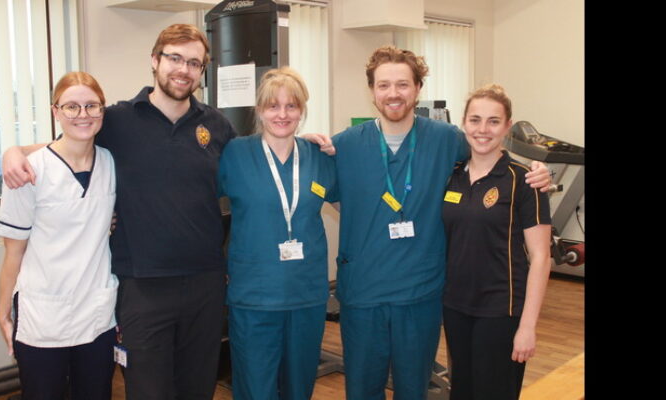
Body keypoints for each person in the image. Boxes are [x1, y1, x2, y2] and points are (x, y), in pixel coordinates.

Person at [1, 23, 335, 400]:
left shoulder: (215, 125)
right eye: (175, 58)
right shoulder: (119, 120)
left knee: (197, 389)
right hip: (144, 287)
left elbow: (261, 158)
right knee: (148, 392)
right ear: (155, 61)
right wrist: (14, 152)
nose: (183, 69)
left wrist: (301, 140)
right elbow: (70, 138)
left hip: (206, 285)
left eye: (194, 62)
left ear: (202, 71)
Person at [326, 46, 551, 400]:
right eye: (383, 85)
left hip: (421, 294)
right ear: (372, 90)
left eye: (403, 84)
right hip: (363, 294)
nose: (393, 93)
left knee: (413, 390)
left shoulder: (446, 140)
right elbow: (309, 180)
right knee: (362, 389)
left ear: (418, 89)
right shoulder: (343, 146)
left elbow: (490, 150)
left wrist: (537, 170)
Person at [217, 67, 338, 400]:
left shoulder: (318, 156)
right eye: (273, 106)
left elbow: (349, 205)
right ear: (259, 110)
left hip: (307, 295)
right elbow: (196, 205)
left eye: (291, 106)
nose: (282, 114)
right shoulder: (235, 154)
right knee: (256, 388)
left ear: (302, 110)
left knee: (299, 387)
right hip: (254, 296)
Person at [0, 71, 118, 400]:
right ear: (56, 111)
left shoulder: (110, 162)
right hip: (42, 319)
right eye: (72, 107)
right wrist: (3, 311)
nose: (83, 115)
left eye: (92, 106)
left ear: (103, 111)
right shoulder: (28, 171)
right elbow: (13, 253)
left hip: (96, 315)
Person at [441, 84, 551, 400]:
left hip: (501, 310)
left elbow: (542, 257)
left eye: (493, 121)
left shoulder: (525, 180)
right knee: (461, 391)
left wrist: (528, 327)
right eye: (475, 120)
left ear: (507, 126)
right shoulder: (453, 175)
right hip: (456, 307)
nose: (483, 130)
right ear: (464, 123)